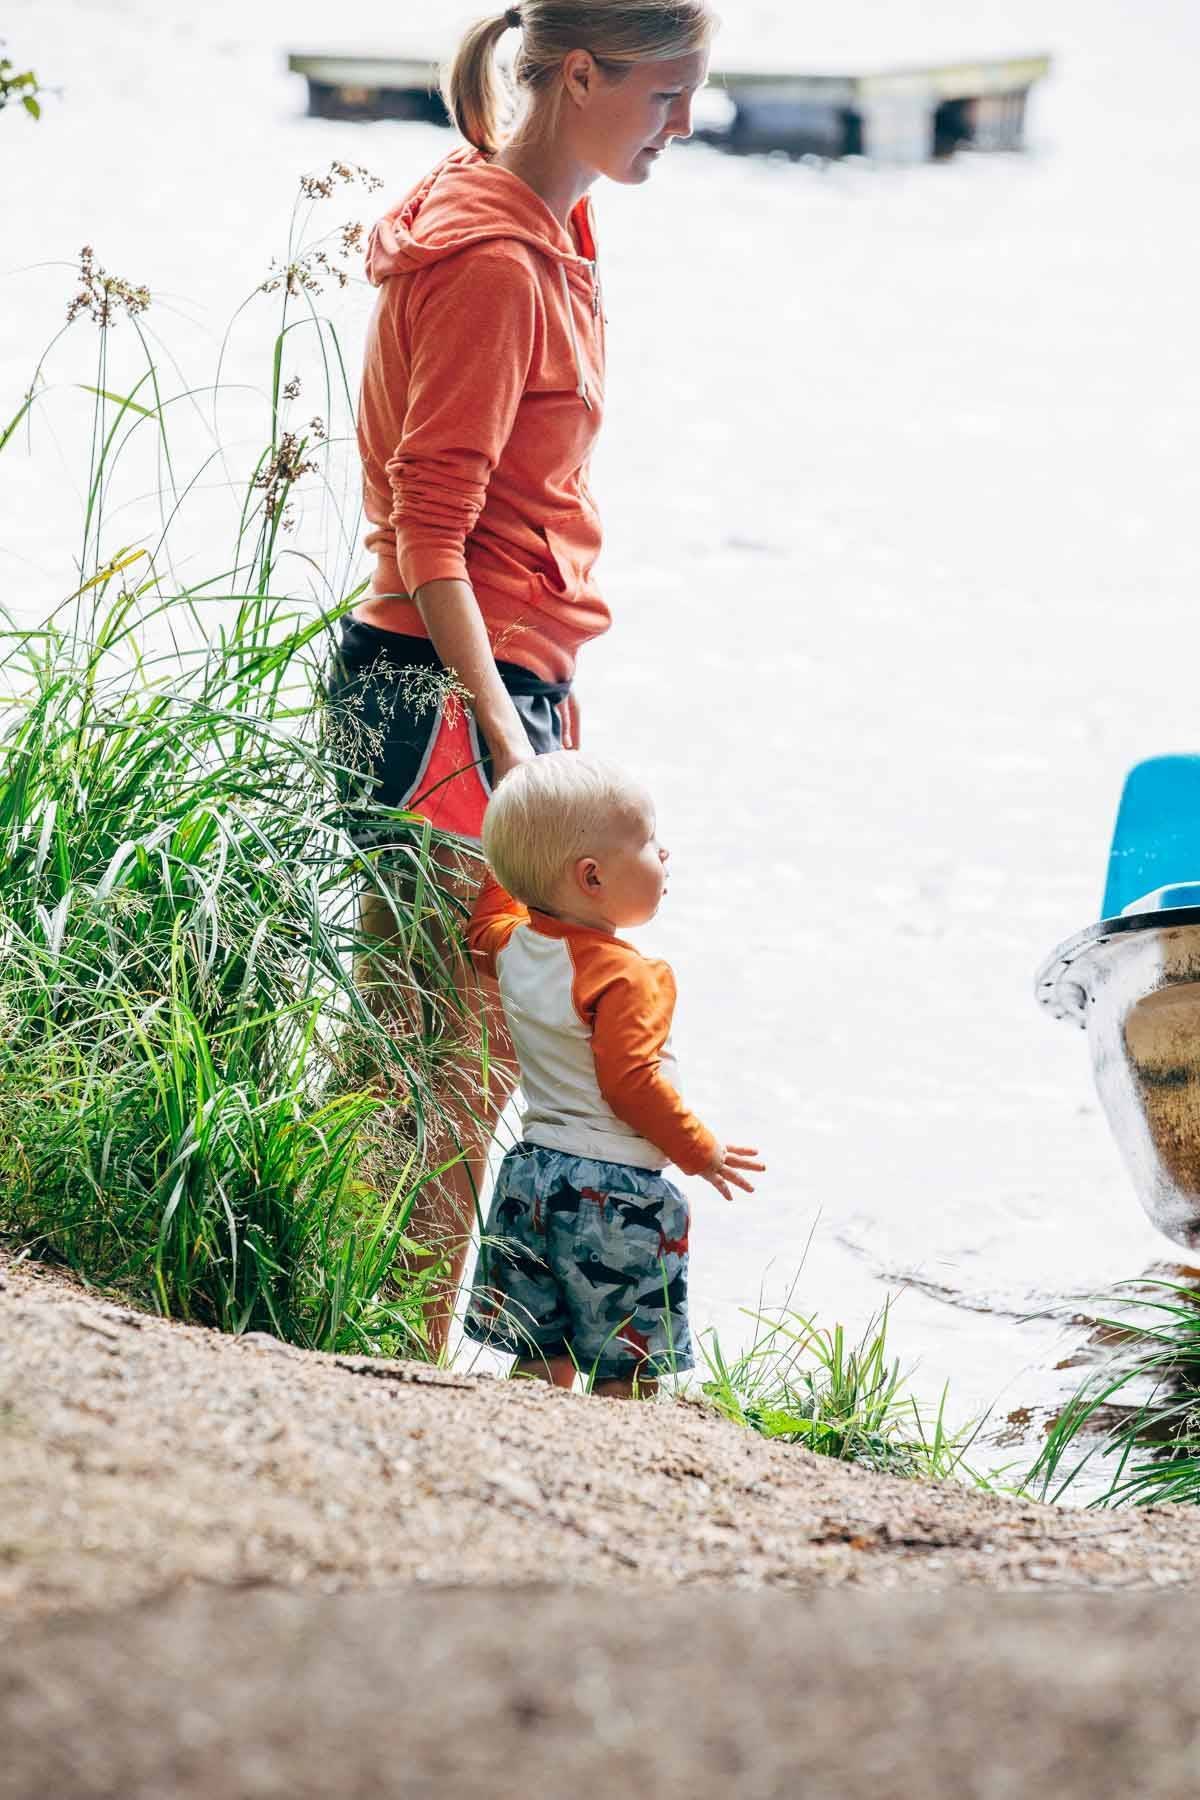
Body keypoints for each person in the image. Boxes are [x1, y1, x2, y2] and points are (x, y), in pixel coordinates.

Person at [326, 2, 716, 1355]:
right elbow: (427, 528)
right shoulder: (494, 256)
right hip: (453, 688)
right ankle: (383, 1349)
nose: (683, 121)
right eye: (667, 95)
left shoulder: (540, 219)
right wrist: (507, 736)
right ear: (585, 73)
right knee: (454, 1042)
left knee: (432, 1028)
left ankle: (351, 1322)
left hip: (477, 675)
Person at [463, 753, 764, 1396]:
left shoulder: (512, 948)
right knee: (624, 1373)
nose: (665, 852)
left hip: (529, 1180)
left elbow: (485, 923)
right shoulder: (628, 977)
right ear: (592, 877)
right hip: (613, 1196)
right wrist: (699, 1149)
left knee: (540, 1358)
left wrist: (512, 853)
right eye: (649, 842)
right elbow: (630, 1083)